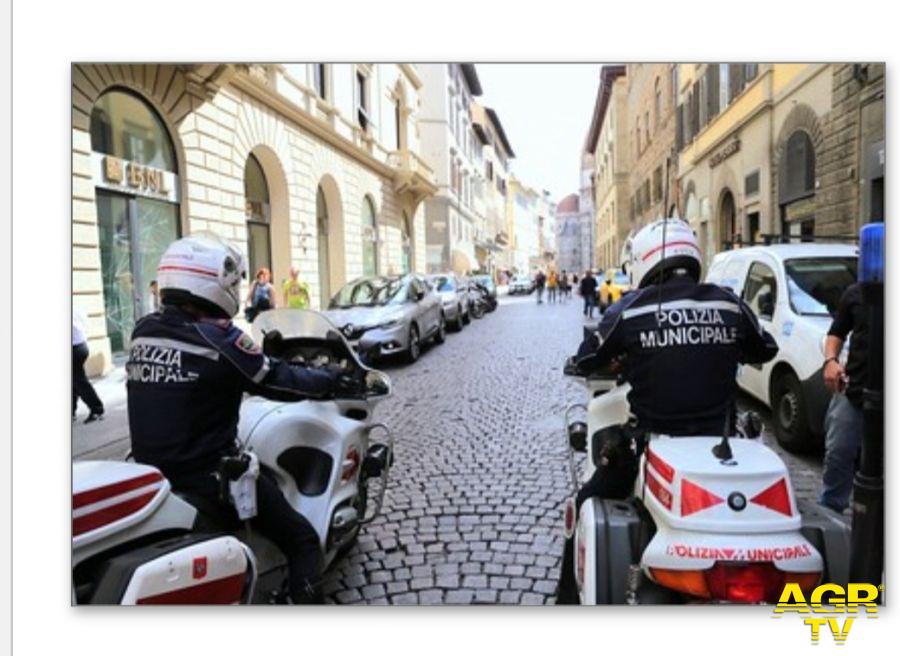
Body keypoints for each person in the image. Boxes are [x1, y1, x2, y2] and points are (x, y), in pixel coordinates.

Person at [556, 217, 778, 603]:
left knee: (584, 502)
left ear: (643, 261)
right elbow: (766, 348)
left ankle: (564, 603)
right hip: (721, 447)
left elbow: (587, 357)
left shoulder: (631, 310)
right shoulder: (729, 302)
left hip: (650, 448)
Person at [127, 233, 355, 604]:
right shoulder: (221, 340)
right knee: (302, 540)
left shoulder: (142, 332)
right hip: (207, 478)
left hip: (153, 474)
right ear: (215, 283)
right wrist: (334, 379)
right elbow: (279, 381)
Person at [818, 281, 867, 514]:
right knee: (838, 452)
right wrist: (830, 361)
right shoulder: (856, 292)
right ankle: (830, 511)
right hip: (855, 389)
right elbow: (836, 333)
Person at [72, 310, 104, 423]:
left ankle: (96, 409)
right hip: (82, 346)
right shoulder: (76, 309)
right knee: (74, 381)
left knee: (79, 381)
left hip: (74, 348)